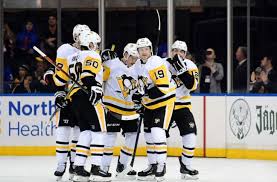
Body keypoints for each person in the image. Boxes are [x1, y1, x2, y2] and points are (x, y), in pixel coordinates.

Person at [54, 30, 111, 182]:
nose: (98, 47)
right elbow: (87, 75)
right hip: (89, 96)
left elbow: (59, 80)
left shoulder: (72, 57)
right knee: (99, 131)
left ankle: (78, 167)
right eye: (96, 44)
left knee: (85, 131)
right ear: (90, 44)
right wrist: (94, 87)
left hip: (75, 99)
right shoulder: (92, 55)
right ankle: (96, 168)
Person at [51, 24, 90, 181]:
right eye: (82, 36)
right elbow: (59, 75)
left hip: (82, 98)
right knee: (63, 130)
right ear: (76, 36)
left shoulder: (90, 52)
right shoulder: (65, 50)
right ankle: (61, 164)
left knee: (79, 132)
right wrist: (60, 91)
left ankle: (75, 164)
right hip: (68, 96)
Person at [133, 37, 176, 181]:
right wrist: (137, 97)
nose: (144, 52)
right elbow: (138, 86)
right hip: (150, 104)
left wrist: (143, 94)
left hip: (164, 101)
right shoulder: (138, 64)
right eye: (141, 50)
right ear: (137, 52)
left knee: (157, 132)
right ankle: (152, 165)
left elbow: (163, 88)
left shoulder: (156, 62)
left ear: (150, 50)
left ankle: (161, 165)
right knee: (148, 136)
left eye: (146, 49)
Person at [100, 44, 139, 180]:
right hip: (113, 108)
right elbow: (99, 79)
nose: (134, 60)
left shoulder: (138, 68)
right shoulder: (111, 64)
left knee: (132, 137)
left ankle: (122, 165)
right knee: (110, 138)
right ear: (126, 54)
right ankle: (103, 168)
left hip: (131, 110)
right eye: (132, 57)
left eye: (136, 58)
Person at [165, 40, 199, 180]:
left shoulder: (190, 66)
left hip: (183, 105)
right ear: (171, 51)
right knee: (158, 137)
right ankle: (156, 165)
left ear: (185, 54)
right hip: (165, 104)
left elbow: (193, 86)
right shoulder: (162, 63)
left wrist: (181, 70)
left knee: (191, 135)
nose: (177, 53)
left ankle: (186, 165)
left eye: (181, 51)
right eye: (175, 50)